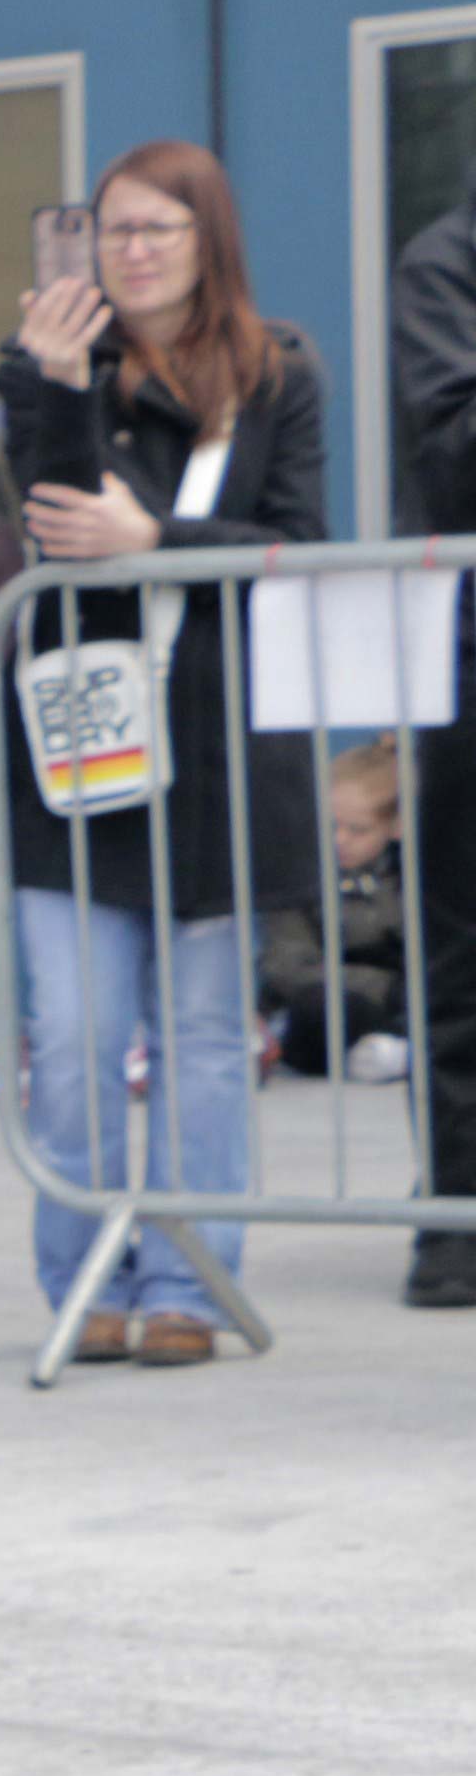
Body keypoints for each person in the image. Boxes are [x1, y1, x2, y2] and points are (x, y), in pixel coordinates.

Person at [0, 137, 328, 1367]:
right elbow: (51, 519)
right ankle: (86, 1281)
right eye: (113, 229)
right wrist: (65, 381)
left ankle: (184, 1284)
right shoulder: (37, 364)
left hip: (218, 745)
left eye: (157, 230)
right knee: (76, 1030)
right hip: (81, 746)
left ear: (208, 242)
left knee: (198, 1034)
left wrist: (159, 537)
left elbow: (297, 538)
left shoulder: (281, 374)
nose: (131, 252)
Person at [390, 160, 476, 1309]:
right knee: (463, 941)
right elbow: (452, 449)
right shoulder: (445, 265)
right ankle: (456, 1217)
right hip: (467, 655)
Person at [260, 737, 407, 1079]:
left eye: (357, 830)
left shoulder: (413, 877)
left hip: (406, 1002)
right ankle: (391, 1053)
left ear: (396, 826)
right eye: (330, 827)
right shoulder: (299, 878)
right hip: (334, 1000)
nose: (339, 839)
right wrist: (388, 986)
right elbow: (288, 967)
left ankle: (398, 1051)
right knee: (323, 1009)